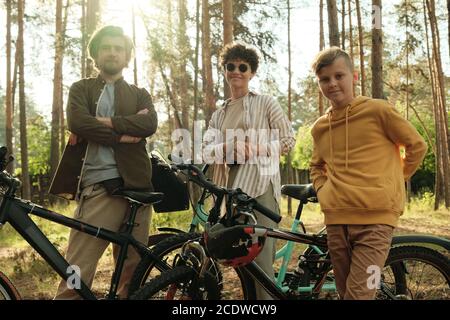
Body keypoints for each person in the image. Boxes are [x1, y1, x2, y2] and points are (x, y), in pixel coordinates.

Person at [310, 47, 427, 300]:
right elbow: (316, 166)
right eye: (325, 79)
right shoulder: (319, 127)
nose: (332, 83)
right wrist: (324, 191)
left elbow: (417, 146)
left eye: (338, 76)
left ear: (354, 76)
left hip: (376, 223)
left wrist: (394, 179)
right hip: (336, 221)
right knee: (346, 294)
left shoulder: (379, 111)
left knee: (358, 295)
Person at [49, 25, 158, 299]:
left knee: (133, 275)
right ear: (95, 55)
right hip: (98, 188)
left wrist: (102, 124)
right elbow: (77, 121)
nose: (112, 52)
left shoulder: (139, 93)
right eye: (106, 47)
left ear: (127, 56)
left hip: (138, 190)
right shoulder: (81, 88)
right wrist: (124, 135)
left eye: (118, 48)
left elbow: (149, 123)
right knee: (76, 269)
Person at [203, 41, 296, 300]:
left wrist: (255, 148)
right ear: (224, 70)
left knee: (262, 263)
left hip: (260, 187)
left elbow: (288, 141)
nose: (237, 71)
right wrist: (229, 146)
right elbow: (206, 151)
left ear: (251, 72)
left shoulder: (266, 103)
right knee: (242, 262)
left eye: (243, 67)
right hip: (230, 194)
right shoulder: (218, 115)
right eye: (230, 66)